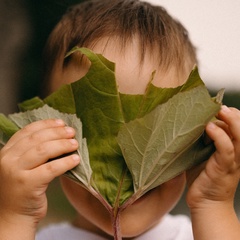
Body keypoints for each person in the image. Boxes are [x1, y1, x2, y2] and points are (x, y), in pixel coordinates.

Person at [0, 0, 240, 239]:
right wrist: (16, 217)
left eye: (154, 134)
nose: (128, 160)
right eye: (97, 133)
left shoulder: (201, 233)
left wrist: (213, 202)